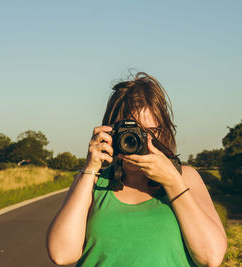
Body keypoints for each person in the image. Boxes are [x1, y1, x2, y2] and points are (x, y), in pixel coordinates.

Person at [47, 72, 227, 267]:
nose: (137, 141)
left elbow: (211, 257)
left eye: (149, 132)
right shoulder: (93, 181)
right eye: (129, 133)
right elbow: (61, 254)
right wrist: (90, 168)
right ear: (110, 130)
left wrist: (172, 182)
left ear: (163, 131)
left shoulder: (186, 178)